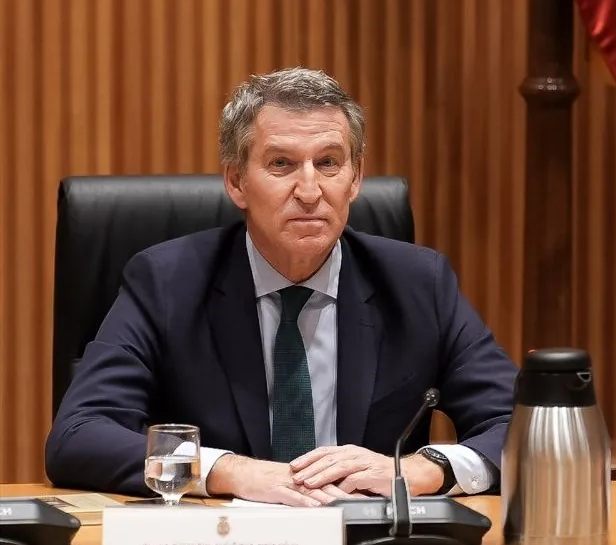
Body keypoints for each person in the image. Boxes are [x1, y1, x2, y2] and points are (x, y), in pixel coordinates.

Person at [45, 68, 517, 506]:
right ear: (236, 182)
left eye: (328, 163)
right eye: (281, 164)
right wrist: (228, 471)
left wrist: (421, 469)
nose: (309, 191)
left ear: (355, 179)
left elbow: (519, 423)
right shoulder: (167, 283)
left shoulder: (418, 284)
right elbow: (79, 434)